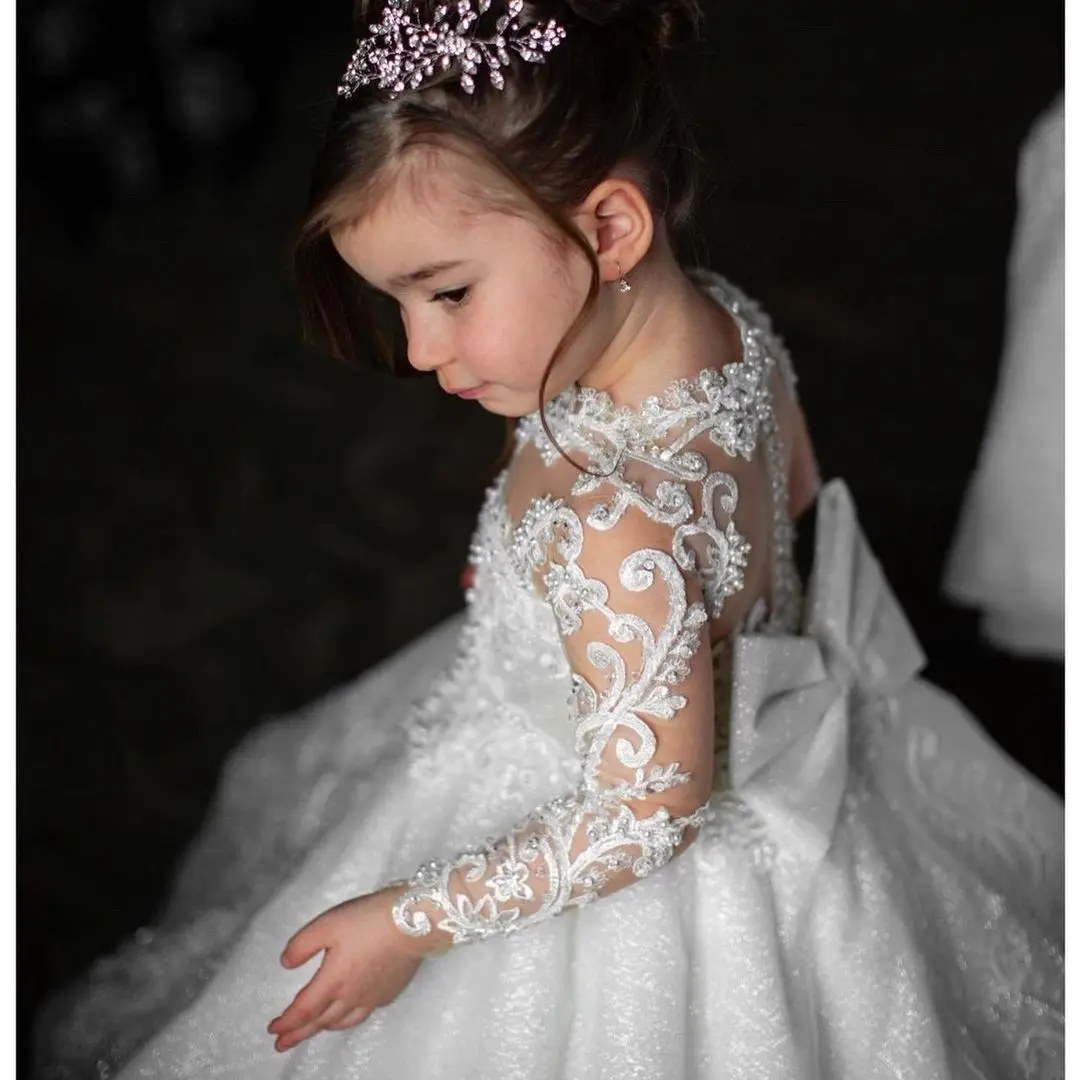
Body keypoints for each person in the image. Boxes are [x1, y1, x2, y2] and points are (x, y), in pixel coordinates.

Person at [35, 2, 1063, 1077]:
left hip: (619, 826)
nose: (419, 350)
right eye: (399, 305)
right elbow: (796, 492)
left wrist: (406, 921)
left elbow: (647, 812)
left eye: (447, 293)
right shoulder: (730, 322)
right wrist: (589, 592)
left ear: (611, 229)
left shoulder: (610, 524)